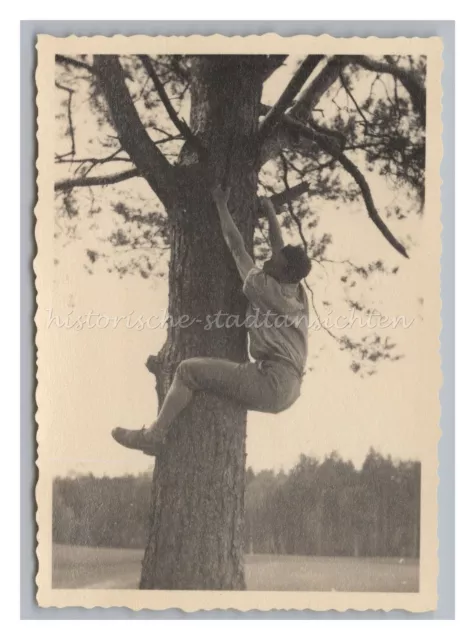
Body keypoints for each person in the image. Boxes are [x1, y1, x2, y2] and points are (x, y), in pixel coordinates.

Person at [112, 186, 312, 455]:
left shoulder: (264, 288)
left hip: (272, 380)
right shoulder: (297, 292)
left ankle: (155, 435)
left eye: (274, 260)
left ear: (284, 270)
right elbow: (280, 249)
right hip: (289, 387)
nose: (269, 258)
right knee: (215, 382)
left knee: (186, 370)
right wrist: (270, 212)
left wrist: (220, 204)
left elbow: (236, 245)